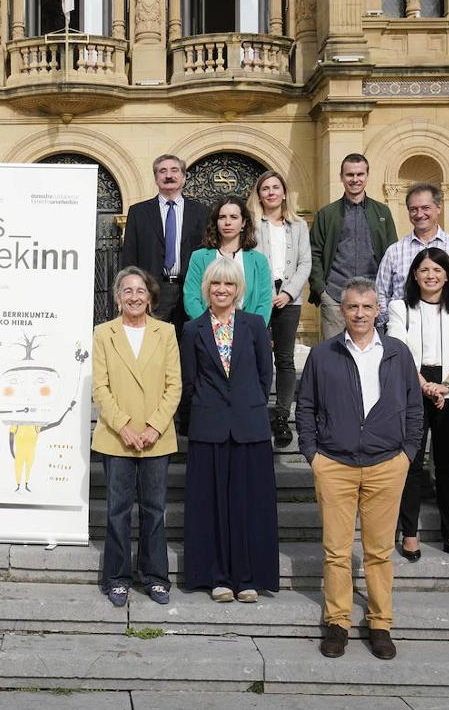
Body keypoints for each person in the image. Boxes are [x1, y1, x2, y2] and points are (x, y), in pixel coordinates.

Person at [296, 277, 423, 660]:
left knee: (379, 552)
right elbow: (305, 408)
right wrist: (313, 455)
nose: (360, 313)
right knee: (335, 551)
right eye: (352, 306)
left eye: (367, 307)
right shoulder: (323, 354)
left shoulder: (398, 353)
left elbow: (414, 408)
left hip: (387, 464)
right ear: (342, 310)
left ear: (378, 310)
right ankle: (338, 622)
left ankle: (380, 623)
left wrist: (407, 454)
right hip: (335, 464)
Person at [180, 256, 277, 603]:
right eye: (216, 284)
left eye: (229, 284)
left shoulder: (254, 326)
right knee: (212, 506)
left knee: (248, 505)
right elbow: (189, 382)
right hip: (209, 429)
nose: (222, 290)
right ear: (207, 289)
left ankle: (248, 578)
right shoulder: (193, 330)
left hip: (249, 428)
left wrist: (245, 405)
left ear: (239, 290)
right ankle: (217, 578)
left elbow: (265, 376)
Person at [91, 267, 182, 608]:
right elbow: (100, 387)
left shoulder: (166, 332)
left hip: (156, 437)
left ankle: (155, 577)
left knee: (154, 510)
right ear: (117, 298)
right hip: (117, 437)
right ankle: (117, 578)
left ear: (150, 296)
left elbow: (174, 385)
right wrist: (125, 426)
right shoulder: (104, 334)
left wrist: (154, 427)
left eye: (140, 290)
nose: (134, 296)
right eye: (127, 290)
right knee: (117, 511)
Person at [387, 248, 449, 563]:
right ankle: (410, 533)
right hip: (412, 386)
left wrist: (446, 386)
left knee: (447, 466)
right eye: (424, 269)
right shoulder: (400, 307)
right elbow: (397, 347)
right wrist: (423, 385)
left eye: (437, 270)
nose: (430, 275)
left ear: (447, 274)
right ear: (415, 274)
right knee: (411, 464)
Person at [247, 170, 310, 448]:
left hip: (289, 300)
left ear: (284, 193)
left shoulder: (298, 226)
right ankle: (256, 411)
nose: (271, 192)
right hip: (259, 298)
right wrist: (266, 293)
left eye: (275, 187)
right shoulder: (250, 224)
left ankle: (282, 416)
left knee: (284, 359)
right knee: (255, 357)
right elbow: (247, 259)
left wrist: (287, 292)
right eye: (265, 188)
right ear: (259, 194)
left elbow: (305, 262)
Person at [308, 153, 397, 339]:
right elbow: (314, 253)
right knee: (334, 357)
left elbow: (392, 254)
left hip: (372, 296)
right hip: (334, 296)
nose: (355, 179)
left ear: (367, 176)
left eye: (359, 174)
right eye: (350, 175)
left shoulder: (382, 212)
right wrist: (321, 290)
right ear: (341, 177)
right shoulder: (327, 214)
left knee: (372, 356)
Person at [120, 154, 211, 333]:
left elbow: (208, 253)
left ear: (184, 177)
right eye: (163, 171)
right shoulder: (138, 212)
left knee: (189, 344)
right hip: (152, 289)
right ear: (156, 178)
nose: (168, 175)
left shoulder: (202, 212)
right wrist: (130, 290)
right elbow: (130, 255)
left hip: (190, 290)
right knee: (151, 342)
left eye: (174, 170)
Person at [375, 182, 449, 327]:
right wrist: (395, 323)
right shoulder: (394, 251)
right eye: (413, 209)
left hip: (448, 329)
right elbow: (381, 294)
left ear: (438, 208)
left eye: (425, 208)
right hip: (404, 331)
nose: (419, 214)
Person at [182, 195, 273, 323]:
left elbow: (264, 302)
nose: (227, 222)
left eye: (234, 217)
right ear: (216, 222)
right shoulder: (199, 257)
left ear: (243, 223)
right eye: (222, 217)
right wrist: (209, 328)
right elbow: (191, 298)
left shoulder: (259, 261)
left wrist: (251, 331)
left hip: (248, 333)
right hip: (207, 331)